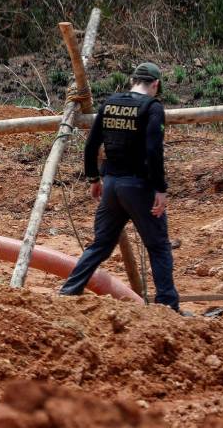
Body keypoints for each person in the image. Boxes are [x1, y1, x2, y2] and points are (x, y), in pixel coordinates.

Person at [59, 62, 181, 312]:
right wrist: (160, 188)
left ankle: (68, 293)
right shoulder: (153, 107)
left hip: (112, 186)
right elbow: (153, 150)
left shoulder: (110, 104)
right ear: (156, 84)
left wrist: (94, 179)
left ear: (132, 81)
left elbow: (91, 146)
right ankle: (168, 308)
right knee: (158, 246)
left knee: (101, 245)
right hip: (138, 187)